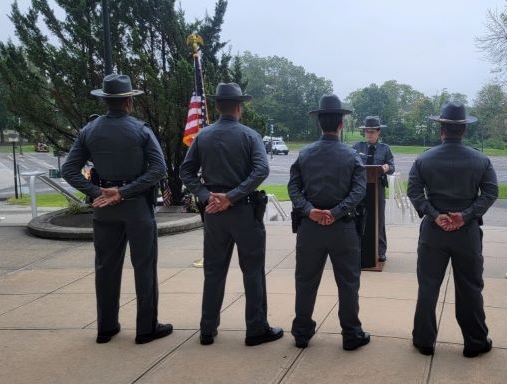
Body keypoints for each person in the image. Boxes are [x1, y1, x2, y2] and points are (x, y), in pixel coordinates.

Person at [61, 74, 173, 344]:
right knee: (144, 267)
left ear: (105, 100)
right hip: (136, 207)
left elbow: (69, 170)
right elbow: (159, 169)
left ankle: (106, 327)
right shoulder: (141, 130)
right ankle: (146, 328)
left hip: (104, 208)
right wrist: (122, 192)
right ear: (128, 102)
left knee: (106, 268)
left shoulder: (89, 131)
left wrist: (98, 193)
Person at [180, 82, 283, 346]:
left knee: (213, 271)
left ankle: (207, 329)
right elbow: (261, 171)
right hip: (244, 211)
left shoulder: (203, 136)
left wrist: (206, 196)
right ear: (239, 107)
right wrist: (233, 196)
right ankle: (256, 328)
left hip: (214, 211)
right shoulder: (250, 136)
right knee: (252, 271)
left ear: (217, 107)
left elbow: (186, 172)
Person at [407, 101, 498, 357]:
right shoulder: (481, 160)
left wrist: (435, 216)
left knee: (428, 286)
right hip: (466, 232)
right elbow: (491, 192)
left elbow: (414, 192)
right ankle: (475, 342)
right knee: (470, 288)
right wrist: (466, 215)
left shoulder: (424, 159)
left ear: (441, 130)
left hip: (433, 232)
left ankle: (424, 340)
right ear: (464, 130)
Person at [288, 94, 370, 351]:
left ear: (319, 123)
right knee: (348, 282)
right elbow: (359, 192)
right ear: (341, 124)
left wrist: (310, 210)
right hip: (343, 228)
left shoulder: (304, 154)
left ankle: (301, 332)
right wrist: (335, 212)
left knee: (305, 281)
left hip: (310, 228)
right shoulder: (351, 155)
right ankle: (351, 333)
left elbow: (294, 188)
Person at [352, 116, 395, 262]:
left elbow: (392, 167)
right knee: (358, 217)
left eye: (372, 131)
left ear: (378, 132)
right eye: (367, 131)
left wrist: (386, 167)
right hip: (360, 188)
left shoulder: (385, 149)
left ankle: (380, 250)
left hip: (377, 189)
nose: (369, 134)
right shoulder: (357, 147)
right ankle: (358, 248)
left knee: (379, 219)